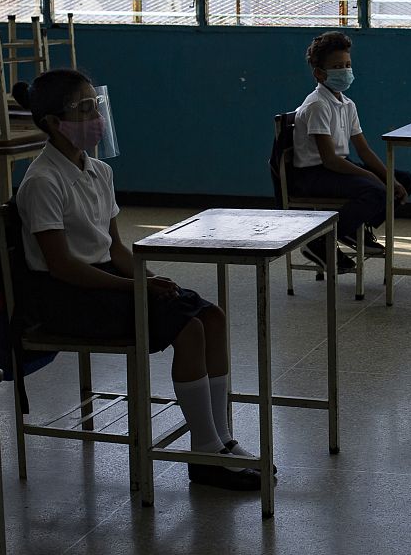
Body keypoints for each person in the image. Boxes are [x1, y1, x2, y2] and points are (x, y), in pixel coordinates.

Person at [13, 70, 261, 491]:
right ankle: (203, 454)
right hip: (68, 296)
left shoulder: (98, 172)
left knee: (212, 316)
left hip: (103, 281)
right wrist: (133, 288)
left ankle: (220, 439)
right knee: (190, 329)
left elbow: (114, 248)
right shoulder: (42, 181)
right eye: (84, 108)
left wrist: (148, 278)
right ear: (54, 123)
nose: (96, 117)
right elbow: (62, 266)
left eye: (97, 105)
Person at [289, 31, 411, 269]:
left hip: (336, 168)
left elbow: (364, 150)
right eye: (337, 66)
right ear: (319, 73)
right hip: (313, 174)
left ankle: (354, 228)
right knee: (375, 189)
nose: (345, 71)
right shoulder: (317, 105)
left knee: (403, 180)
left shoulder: (347, 104)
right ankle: (319, 242)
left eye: (347, 65)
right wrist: (372, 178)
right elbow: (329, 160)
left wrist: (388, 177)